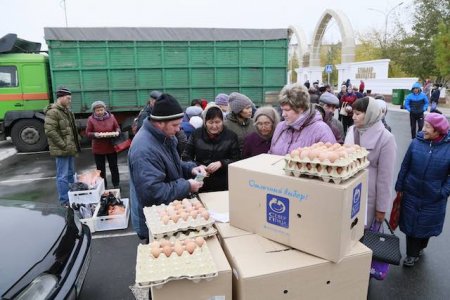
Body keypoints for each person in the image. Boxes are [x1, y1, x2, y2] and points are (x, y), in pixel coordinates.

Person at [128, 93, 206, 242]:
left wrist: (190, 169)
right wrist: (187, 185)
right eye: (175, 125)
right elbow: (153, 193)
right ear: (159, 123)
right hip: (154, 221)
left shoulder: (165, 136)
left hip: (166, 214)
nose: (178, 129)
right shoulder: (144, 150)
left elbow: (170, 165)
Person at [395, 113, 450, 267]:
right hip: (411, 191)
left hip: (434, 197)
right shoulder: (416, 143)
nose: (423, 129)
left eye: (427, 126)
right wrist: (400, 186)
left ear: (438, 131)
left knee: (425, 227)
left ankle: (420, 247)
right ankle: (411, 255)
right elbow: (405, 165)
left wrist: (443, 191)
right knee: (410, 225)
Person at [344, 96, 397, 228]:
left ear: (369, 115)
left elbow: (385, 178)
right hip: (348, 190)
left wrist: (381, 208)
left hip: (369, 196)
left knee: (364, 233)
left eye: (358, 114)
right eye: (353, 113)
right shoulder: (352, 131)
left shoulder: (386, 138)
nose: (353, 117)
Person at [182, 104, 240, 192]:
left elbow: (237, 159)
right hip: (201, 177)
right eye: (210, 122)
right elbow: (186, 156)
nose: (214, 126)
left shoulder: (231, 136)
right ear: (205, 122)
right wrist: (198, 166)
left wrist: (221, 163)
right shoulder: (196, 134)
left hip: (223, 180)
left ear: (222, 121)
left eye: (217, 122)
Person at [269, 83, 336, 155]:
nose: (283, 114)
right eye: (282, 109)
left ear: (301, 108)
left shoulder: (322, 130)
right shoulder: (280, 127)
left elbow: (331, 161)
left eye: (287, 110)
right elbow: (271, 153)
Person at [44, 86, 81, 206]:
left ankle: (72, 196)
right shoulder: (53, 112)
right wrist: (63, 145)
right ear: (61, 97)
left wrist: (75, 142)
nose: (70, 101)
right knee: (63, 176)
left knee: (70, 174)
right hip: (62, 149)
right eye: (68, 98)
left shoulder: (66, 111)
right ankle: (65, 200)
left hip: (69, 148)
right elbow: (50, 131)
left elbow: (71, 129)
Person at [85, 101, 121, 189]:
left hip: (111, 146)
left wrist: (117, 132)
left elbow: (117, 127)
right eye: (97, 110)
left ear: (105, 109)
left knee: (114, 166)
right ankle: (103, 186)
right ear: (94, 111)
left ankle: (116, 184)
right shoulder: (91, 119)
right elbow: (88, 133)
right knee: (100, 169)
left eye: (101, 110)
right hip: (98, 148)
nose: (100, 112)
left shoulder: (111, 117)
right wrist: (95, 135)